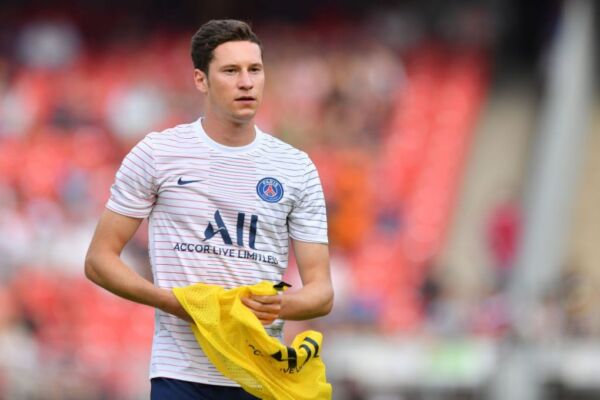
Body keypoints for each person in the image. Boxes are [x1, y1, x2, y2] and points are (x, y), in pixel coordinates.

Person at [85, 19, 333, 400]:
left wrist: (279, 304)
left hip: (259, 374)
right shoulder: (157, 154)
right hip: (179, 375)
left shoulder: (296, 168)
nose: (246, 82)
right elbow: (99, 260)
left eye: (255, 70)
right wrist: (176, 303)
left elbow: (322, 292)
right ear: (201, 80)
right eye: (231, 71)